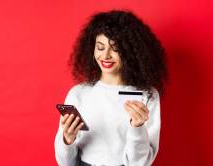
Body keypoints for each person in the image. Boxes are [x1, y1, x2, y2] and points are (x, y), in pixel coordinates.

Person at [54, 10, 168, 166]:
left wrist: (137, 128)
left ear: (129, 52)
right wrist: (67, 140)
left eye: (115, 49)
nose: (106, 56)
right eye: (100, 47)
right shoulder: (78, 94)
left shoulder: (147, 96)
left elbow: (139, 163)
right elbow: (65, 163)